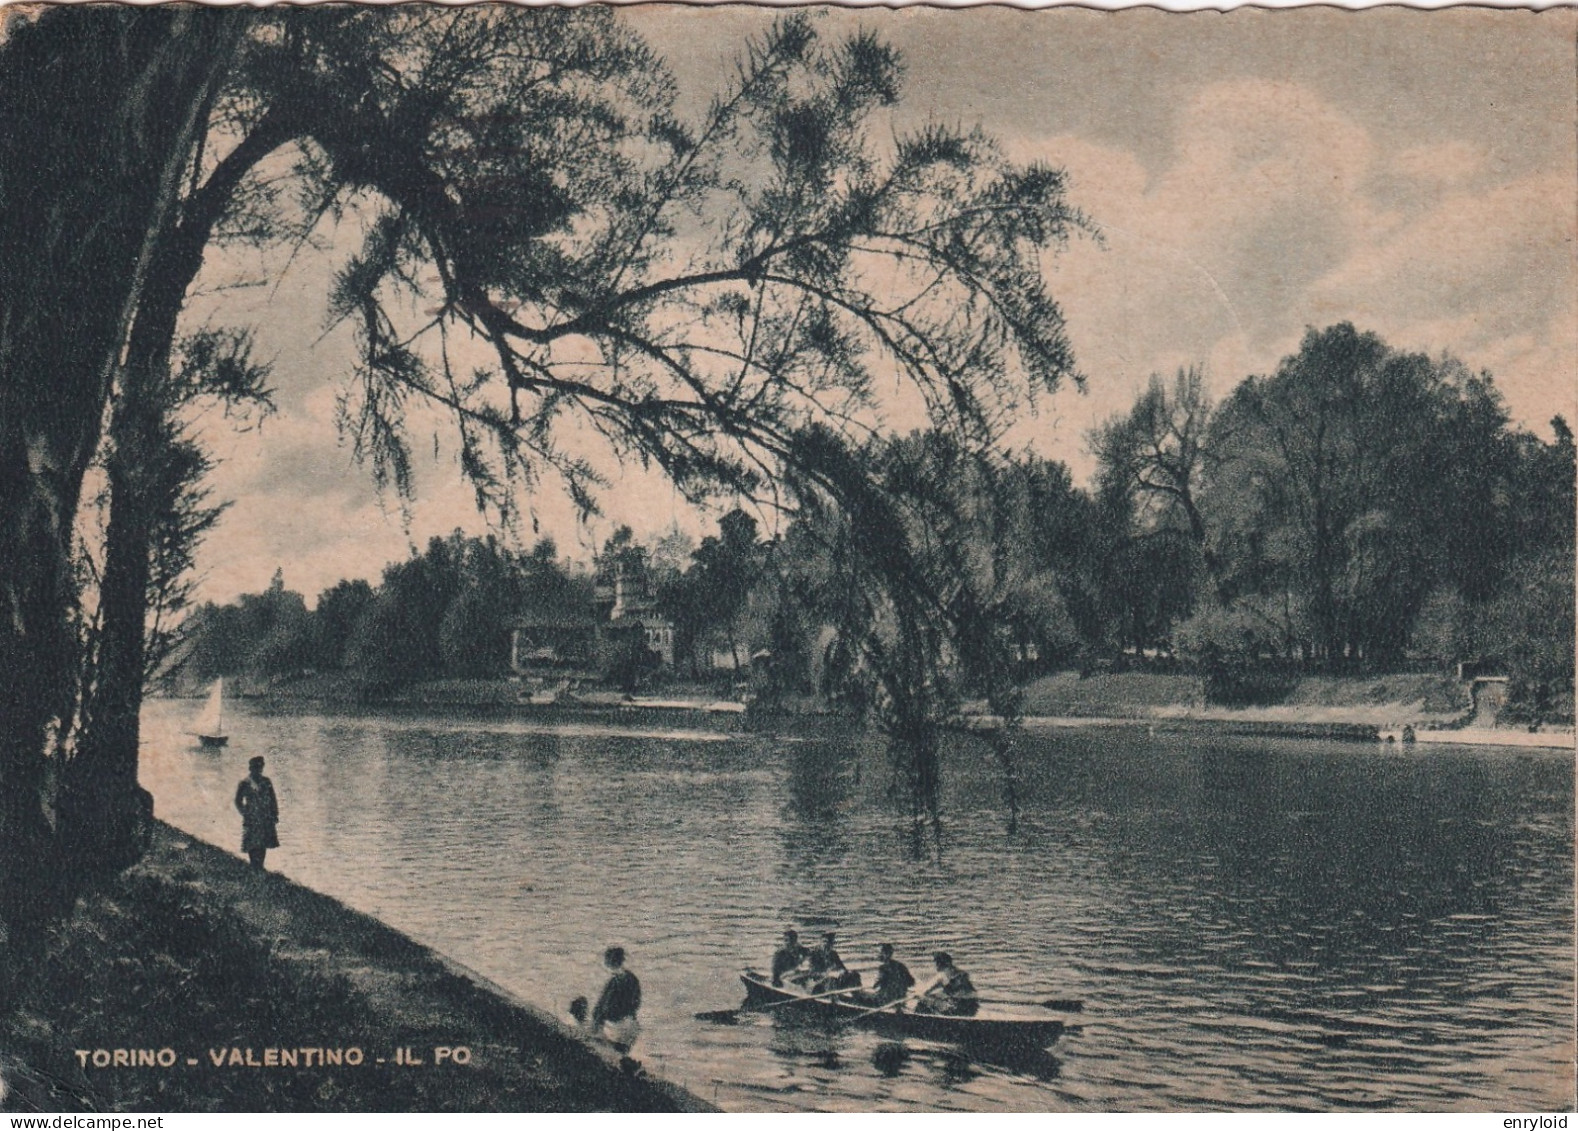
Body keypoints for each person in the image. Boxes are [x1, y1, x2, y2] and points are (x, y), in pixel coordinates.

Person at [591, 946, 642, 1053]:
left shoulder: (615, 982)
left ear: (609, 962)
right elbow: (635, 1003)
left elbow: (604, 1008)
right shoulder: (631, 979)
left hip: (616, 1029)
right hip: (629, 1026)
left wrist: (597, 1022)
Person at [234, 756, 279, 870]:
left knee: (262, 842)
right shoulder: (245, 783)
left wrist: (274, 814)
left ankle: (260, 866)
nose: (258, 770)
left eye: (260, 767)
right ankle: (254, 865)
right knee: (252, 842)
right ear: (250, 768)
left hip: (264, 816)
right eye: (255, 767)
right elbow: (238, 801)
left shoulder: (266, 781)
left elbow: (273, 799)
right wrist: (245, 812)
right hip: (252, 817)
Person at [914, 951, 979, 1016]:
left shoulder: (941, 976)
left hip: (957, 1008)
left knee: (922, 1001)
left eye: (936, 963)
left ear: (939, 964)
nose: (934, 966)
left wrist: (917, 994)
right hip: (973, 1008)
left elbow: (925, 992)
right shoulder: (963, 974)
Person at [851, 943, 915, 1007]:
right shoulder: (901, 966)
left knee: (861, 995)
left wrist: (876, 985)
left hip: (885, 1001)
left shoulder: (883, 968)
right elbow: (912, 983)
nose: (879, 955)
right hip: (900, 1000)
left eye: (880, 952)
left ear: (886, 954)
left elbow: (876, 985)